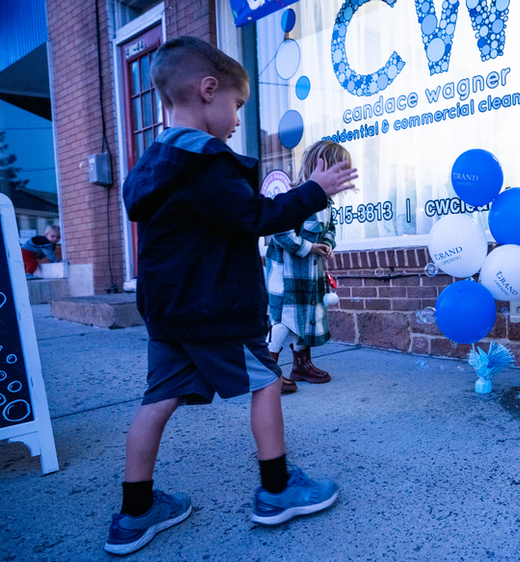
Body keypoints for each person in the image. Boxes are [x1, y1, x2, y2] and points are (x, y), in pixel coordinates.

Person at [107, 36, 358, 556]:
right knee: (265, 381)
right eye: (237, 105)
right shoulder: (205, 164)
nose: (239, 119)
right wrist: (315, 190)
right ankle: (277, 488)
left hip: (169, 312)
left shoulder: (154, 164)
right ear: (207, 90)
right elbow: (256, 218)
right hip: (214, 309)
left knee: (156, 402)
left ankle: (134, 514)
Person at [265, 141, 348, 393]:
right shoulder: (296, 197)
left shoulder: (327, 204)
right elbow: (280, 230)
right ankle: (268, 372)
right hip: (286, 273)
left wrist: (326, 244)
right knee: (285, 319)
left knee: (306, 316)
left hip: (309, 273)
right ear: (318, 168)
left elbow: (330, 230)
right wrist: (308, 247)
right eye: (337, 172)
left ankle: (302, 365)